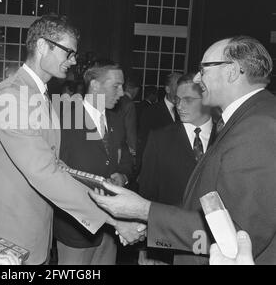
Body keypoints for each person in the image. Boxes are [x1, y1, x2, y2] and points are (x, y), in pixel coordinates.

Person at [89, 36, 276, 264]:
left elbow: (238, 236)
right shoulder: (249, 118)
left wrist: (144, 211)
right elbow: (209, 208)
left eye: (203, 69)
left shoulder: (258, 127)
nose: (198, 78)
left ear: (232, 71)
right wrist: (150, 223)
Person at [0, 14, 146, 265]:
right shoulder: (11, 96)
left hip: (36, 228)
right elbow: (44, 171)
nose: (73, 60)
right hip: (9, 233)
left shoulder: (39, 95)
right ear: (43, 46)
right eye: (68, 52)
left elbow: (56, 164)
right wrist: (113, 219)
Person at [54, 62, 134, 265]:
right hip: (77, 227)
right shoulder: (64, 118)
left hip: (110, 227)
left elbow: (125, 158)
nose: (122, 92)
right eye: (116, 86)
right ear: (95, 85)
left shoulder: (116, 120)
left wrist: (123, 176)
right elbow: (55, 170)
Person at [138, 73, 215, 264]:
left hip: (216, 245)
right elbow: (147, 193)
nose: (179, 106)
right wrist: (146, 248)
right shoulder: (160, 139)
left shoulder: (228, 137)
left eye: (188, 100)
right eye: (177, 99)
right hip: (169, 244)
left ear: (207, 99)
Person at [136, 72, 182, 169]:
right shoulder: (151, 112)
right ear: (167, 89)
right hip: (157, 166)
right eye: (178, 85)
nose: (182, 89)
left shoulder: (185, 112)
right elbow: (144, 142)